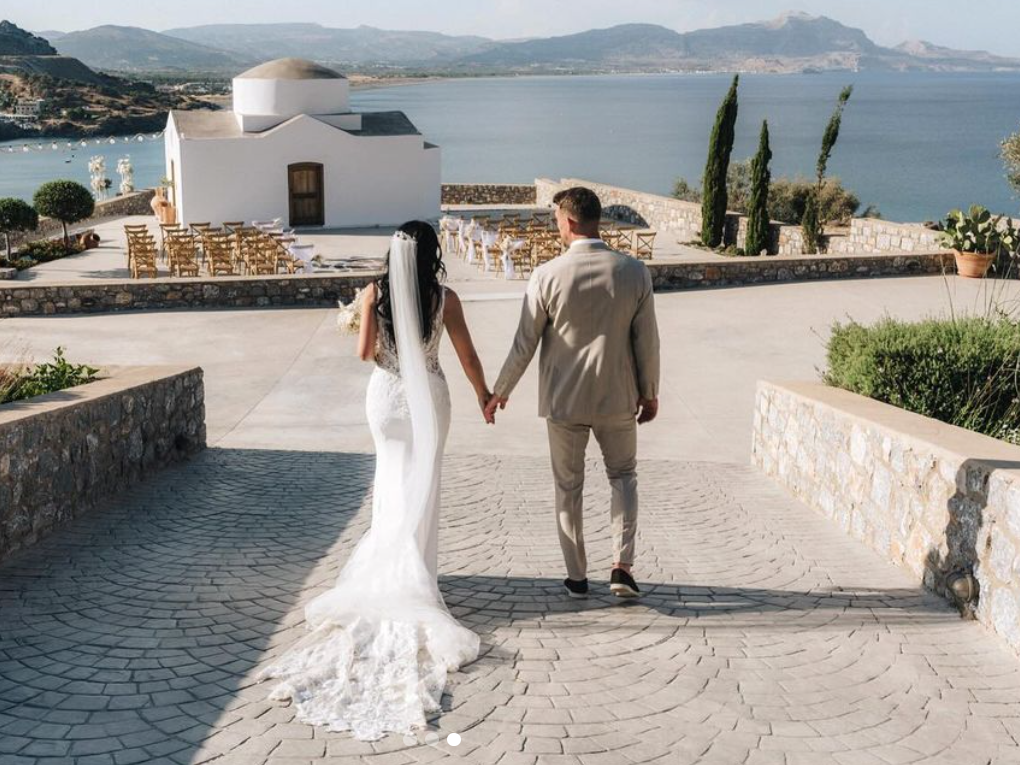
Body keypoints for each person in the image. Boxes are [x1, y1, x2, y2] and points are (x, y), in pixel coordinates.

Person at [257, 221, 489, 741]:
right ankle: (419, 580)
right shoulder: (445, 298)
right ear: (432, 254)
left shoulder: (372, 292)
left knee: (389, 486)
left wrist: (360, 320)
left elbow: (365, 354)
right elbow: (468, 356)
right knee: (423, 484)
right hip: (428, 395)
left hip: (385, 399)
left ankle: (396, 577)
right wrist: (485, 394)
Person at [485, 187, 661, 600]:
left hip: (564, 402)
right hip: (618, 397)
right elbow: (647, 342)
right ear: (596, 220)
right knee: (623, 477)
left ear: (568, 221)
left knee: (568, 487)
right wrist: (649, 393)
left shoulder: (546, 275)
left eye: (556, 220)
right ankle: (621, 567)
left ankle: (577, 577)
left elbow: (524, 343)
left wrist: (501, 391)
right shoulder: (635, 272)